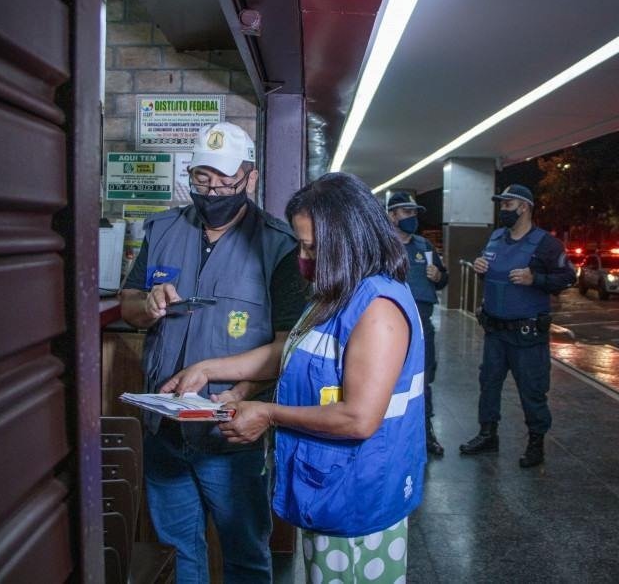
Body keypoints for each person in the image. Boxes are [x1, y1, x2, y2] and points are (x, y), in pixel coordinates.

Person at [162, 172, 426, 583]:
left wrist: (267, 413)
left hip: (357, 493)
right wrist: (208, 369)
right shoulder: (339, 292)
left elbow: (359, 418)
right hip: (331, 483)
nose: (304, 257)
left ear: (349, 241)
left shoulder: (377, 309)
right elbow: (289, 354)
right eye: (302, 245)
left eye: (313, 247)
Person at [119, 121, 307, 583]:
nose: (212, 191)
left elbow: (288, 345)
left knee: (245, 553)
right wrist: (147, 305)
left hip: (230, 431)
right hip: (164, 427)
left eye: (225, 180)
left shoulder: (279, 246)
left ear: (251, 178)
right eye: (202, 179)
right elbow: (128, 304)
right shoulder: (162, 229)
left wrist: (240, 392)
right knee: (177, 548)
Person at [459, 184, 575, 468]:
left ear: (524, 207)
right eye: (502, 205)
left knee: (532, 390)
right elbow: (492, 273)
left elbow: (568, 278)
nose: (503, 210)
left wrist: (535, 279)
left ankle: (536, 444)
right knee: (488, 384)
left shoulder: (546, 244)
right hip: (495, 332)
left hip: (527, 336)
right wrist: (480, 268)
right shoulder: (496, 238)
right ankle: (488, 434)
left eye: (507, 205)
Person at [386, 192, 449, 456]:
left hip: (422, 324)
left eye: (414, 213)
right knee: (388, 379)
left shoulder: (425, 246)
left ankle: (425, 433)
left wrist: (439, 276)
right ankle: (390, 436)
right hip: (390, 325)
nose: (412, 218)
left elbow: (443, 279)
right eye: (407, 212)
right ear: (392, 215)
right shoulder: (382, 247)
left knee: (422, 379)